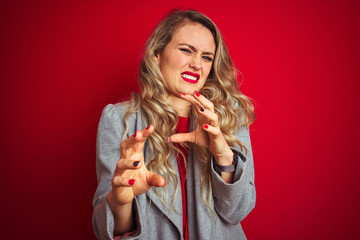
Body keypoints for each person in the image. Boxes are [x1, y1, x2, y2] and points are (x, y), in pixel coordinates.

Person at [92, 9, 256, 240]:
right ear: (157, 53)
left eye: (206, 57)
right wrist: (121, 200)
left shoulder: (229, 116)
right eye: (186, 50)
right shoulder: (119, 119)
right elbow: (105, 231)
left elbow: (237, 211)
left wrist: (223, 155)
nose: (197, 64)